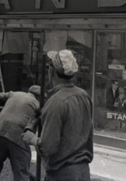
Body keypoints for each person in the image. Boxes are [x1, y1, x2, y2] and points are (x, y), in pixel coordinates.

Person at [22, 50, 93, 181]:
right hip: (83, 172)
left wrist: (32, 139)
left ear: (51, 71)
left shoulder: (55, 102)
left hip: (62, 173)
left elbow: (48, 147)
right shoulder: (84, 96)